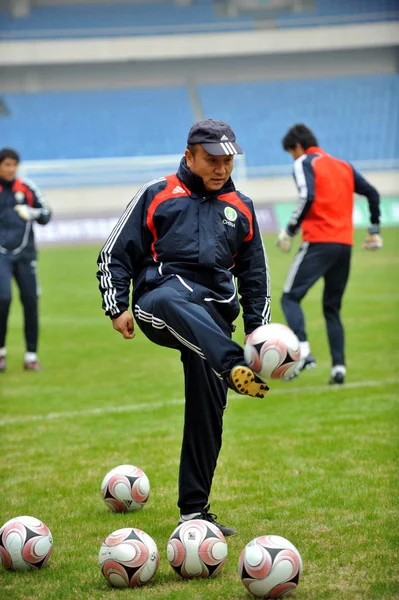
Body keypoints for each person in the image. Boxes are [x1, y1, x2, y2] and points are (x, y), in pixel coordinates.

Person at [97, 119, 271, 535]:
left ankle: (194, 512)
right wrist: (116, 304)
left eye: (228, 161)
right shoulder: (157, 194)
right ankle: (230, 364)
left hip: (212, 322)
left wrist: (257, 331)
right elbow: (114, 252)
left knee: (207, 412)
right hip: (159, 303)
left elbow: (255, 276)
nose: (221, 169)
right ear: (190, 154)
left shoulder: (241, 208)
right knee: (171, 297)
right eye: (212, 160)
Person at [276, 123, 382, 385]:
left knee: (290, 298)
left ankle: (304, 352)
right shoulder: (343, 165)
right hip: (344, 245)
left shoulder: (304, 163)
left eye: (292, 152)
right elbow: (372, 192)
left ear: (298, 147)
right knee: (332, 308)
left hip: (318, 242)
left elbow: (307, 195)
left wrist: (290, 229)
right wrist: (374, 229)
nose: (294, 157)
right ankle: (339, 369)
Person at [0, 148, 51, 373]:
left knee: (31, 302)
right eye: (6, 164)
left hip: (25, 254)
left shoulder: (27, 187)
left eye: (14, 164)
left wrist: (32, 213)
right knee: (3, 299)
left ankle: (31, 356)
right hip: (1, 256)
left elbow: (47, 214)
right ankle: (1, 352)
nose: (10, 169)